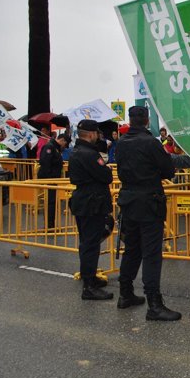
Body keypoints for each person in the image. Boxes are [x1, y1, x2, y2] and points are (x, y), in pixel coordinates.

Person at [115, 106, 180, 321]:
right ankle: (154, 304)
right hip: (149, 202)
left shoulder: (122, 143)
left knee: (132, 249)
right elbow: (168, 170)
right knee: (151, 254)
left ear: (131, 121)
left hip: (129, 201)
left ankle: (125, 294)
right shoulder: (150, 142)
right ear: (146, 120)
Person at [68, 120, 114, 301]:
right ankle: (89, 286)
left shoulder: (77, 151)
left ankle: (90, 277)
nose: (98, 136)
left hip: (84, 200)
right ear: (91, 134)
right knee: (91, 244)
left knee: (87, 242)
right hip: (91, 202)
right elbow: (106, 176)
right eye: (97, 133)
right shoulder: (89, 154)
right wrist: (107, 169)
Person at [37, 133, 71, 229]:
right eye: (65, 143)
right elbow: (45, 163)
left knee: (51, 202)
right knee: (50, 202)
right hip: (49, 179)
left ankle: (50, 224)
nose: (65, 146)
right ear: (62, 140)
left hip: (53, 178)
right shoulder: (50, 147)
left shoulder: (54, 147)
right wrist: (50, 178)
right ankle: (49, 225)